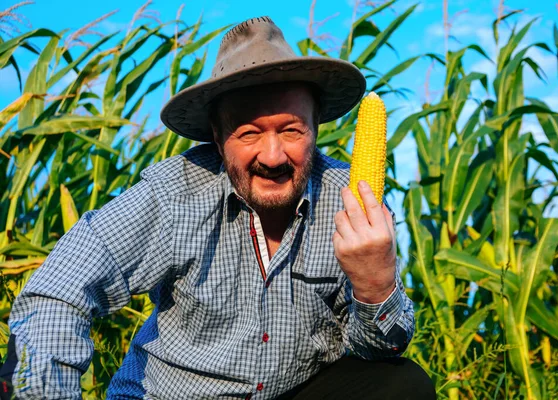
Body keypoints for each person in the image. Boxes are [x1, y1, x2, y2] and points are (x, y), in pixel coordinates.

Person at [2, 16, 435, 399]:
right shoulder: (174, 195)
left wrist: (375, 285)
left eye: (291, 130)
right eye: (248, 133)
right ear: (217, 134)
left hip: (288, 390)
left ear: (315, 125)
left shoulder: (352, 201)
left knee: (402, 385)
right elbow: (59, 292)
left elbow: (376, 350)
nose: (272, 156)